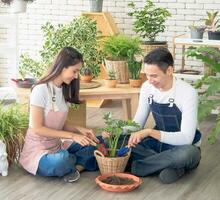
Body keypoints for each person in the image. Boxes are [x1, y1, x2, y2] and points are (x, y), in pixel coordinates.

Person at [19, 47, 99, 182]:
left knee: (93, 145)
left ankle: (72, 165)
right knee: (60, 161)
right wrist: (74, 136)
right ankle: (74, 163)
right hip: (38, 151)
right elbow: (38, 128)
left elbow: (61, 123)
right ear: (62, 67)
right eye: (74, 71)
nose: (76, 76)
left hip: (58, 145)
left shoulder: (63, 90)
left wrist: (82, 130)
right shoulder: (40, 90)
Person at [127, 48, 202, 184]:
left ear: (169, 70)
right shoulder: (146, 87)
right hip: (158, 145)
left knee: (187, 154)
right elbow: (138, 123)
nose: (150, 81)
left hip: (183, 146)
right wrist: (117, 131)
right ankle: (169, 167)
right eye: (147, 75)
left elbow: (186, 138)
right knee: (119, 141)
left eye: (154, 76)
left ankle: (140, 166)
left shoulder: (187, 92)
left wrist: (149, 132)